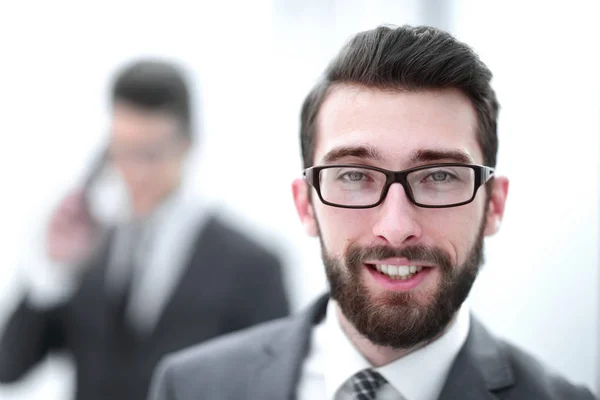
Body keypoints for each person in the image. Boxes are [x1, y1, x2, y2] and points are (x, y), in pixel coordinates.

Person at [148, 25, 596, 400]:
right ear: (306, 205)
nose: (396, 228)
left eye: (439, 177)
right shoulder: (191, 387)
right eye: (354, 176)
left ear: (493, 205)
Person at [0, 59, 289, 400]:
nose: (135, 172)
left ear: (187, 146)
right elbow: (10, 367)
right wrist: (51, 269)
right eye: (122, 152)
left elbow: (273, 387)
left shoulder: (253, 266)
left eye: (151, 154)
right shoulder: (88, 247)